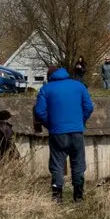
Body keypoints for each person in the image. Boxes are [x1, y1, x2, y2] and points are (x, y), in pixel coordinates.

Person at [33, 66, 94, 204]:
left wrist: (50, 124)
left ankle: (57, 197)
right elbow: (89, 107)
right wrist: (80, 121)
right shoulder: (79, 86)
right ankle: (78, 197)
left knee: (57, 164)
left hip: (57, 133)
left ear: (50, 76)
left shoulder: (46, 89)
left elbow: (39, 112)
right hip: (77, 131)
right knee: (78, 163)